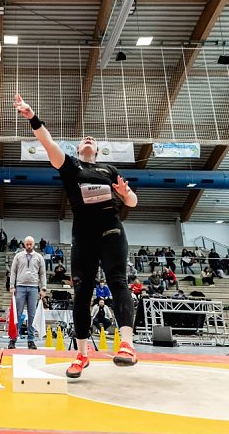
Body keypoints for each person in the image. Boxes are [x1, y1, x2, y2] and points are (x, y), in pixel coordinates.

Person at [16, 94, 138, 377]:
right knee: (81, 292)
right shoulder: (70, 166)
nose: (89, 139)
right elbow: (47, 143)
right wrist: (32, 117)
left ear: (96, 150)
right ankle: (81, 355)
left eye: (93, 140)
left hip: (111, 230)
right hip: (83, 234)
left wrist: (125, 193)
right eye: (85, 138)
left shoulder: (109, 170)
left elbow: (132, 203)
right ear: (78, 147)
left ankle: (128, 345)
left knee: (118, 281)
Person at [8, 235, 47, 350]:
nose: (29, 246)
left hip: (33, 288)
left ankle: (31, 340)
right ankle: (13, 339)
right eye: (27, 244)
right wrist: (11, 286)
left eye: (31, 244)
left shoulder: (39, 257)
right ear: (24, 244)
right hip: (20, 287)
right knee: (17, 314)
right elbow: (13, 272)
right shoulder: (18, 256)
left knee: (32, 315)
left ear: (34, 244)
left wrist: (43, 288)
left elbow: (43, 273)